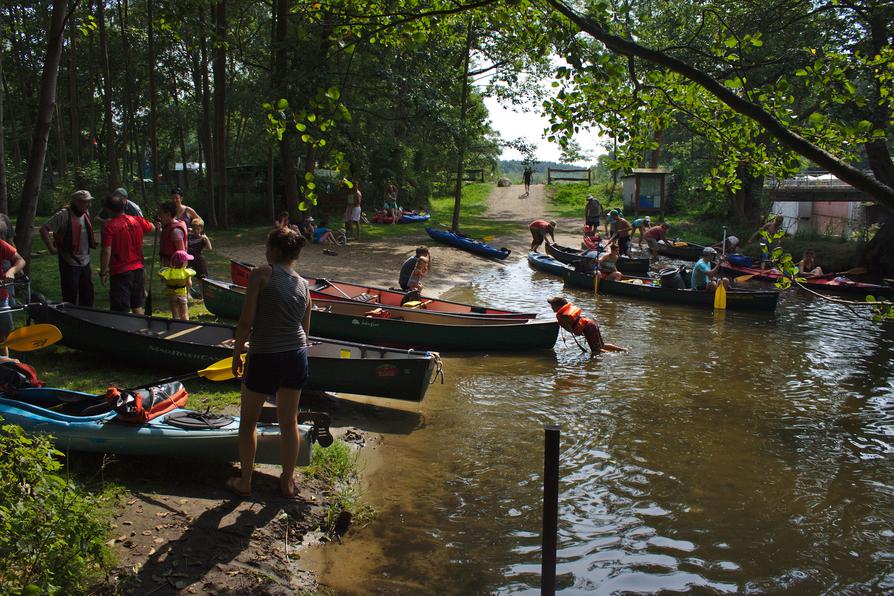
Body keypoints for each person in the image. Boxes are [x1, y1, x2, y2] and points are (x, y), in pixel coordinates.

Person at [228, 227, 312, 499]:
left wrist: (237, 352)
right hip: (296, 354)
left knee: (248, 422)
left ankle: (246, 481)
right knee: (289, 422)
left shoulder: (262, 274)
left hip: (265, 354)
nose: (265, 252)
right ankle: (287, 482)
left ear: (275, 251)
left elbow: (246, 321)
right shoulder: (304, 285)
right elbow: (305, 332)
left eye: (267, 247)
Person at [99, 193, 155, 314]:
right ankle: (142, 331)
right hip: (138, 269)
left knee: (121, 310)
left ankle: (124, 331)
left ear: (108, 209)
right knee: (137, 306)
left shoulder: (109, 226)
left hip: (120, 272)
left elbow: (106, 251)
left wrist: (103, 272)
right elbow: (152, 227)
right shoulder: (136, 220)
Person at [39, 190, 97, 306]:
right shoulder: (63, 215)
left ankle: (86, 319)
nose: (88, 205)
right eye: (86, 202)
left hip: (85, 261)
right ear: (76, 202)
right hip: (69, 261)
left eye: (89, 202)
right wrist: (51, 248)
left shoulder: (86, 213)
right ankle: (70, 318)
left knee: (88, 295)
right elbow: (44, 229)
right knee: (70, 295)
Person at [547, 296, 626, 354]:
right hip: (591, 322)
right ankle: (623, 350)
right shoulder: (567, 311)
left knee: (596, 351)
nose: (551, 307)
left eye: (552, 305)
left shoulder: (562, 316)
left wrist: (560, 324)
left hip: (588, 327)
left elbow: (570, 330)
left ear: (558, 306)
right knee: (602, 345)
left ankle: (613, 356)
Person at [0, 239, 26, 357]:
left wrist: (11, 271)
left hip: (1, 297)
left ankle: (5, 366)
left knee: (3, 335)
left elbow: (20, 260)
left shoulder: (0, 244)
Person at [158, 250, 196, 320]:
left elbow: (163, 280)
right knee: (184, 313)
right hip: (182, 294)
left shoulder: (168, 272)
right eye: (187, 261)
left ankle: (176, 325)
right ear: (184, 262)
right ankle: (186, 325)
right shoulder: (187, 273)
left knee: (175, 314)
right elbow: (189, 284)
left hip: (172, 296)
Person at [158, 201, 188, 267]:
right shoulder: (168, 227)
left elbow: (182, 254)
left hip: (174, 269)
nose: (159, 217)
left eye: (161, 214)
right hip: (167, 266)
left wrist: (178, 272)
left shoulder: (175, 231)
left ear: (168, 214)